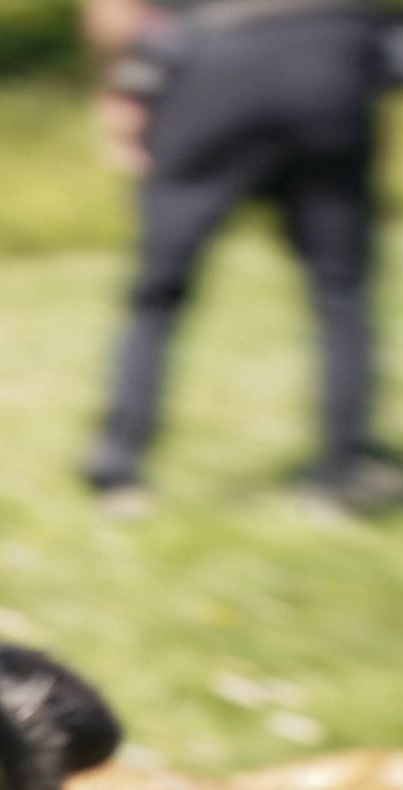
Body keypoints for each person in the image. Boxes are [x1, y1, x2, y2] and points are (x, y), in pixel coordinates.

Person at [83, 0, 403, 511]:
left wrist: (119, 91)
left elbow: (114, 13)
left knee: (159, 291)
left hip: (212, 64)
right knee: (342, 287)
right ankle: (345, 469)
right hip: (330, 54)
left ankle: (117, 467)